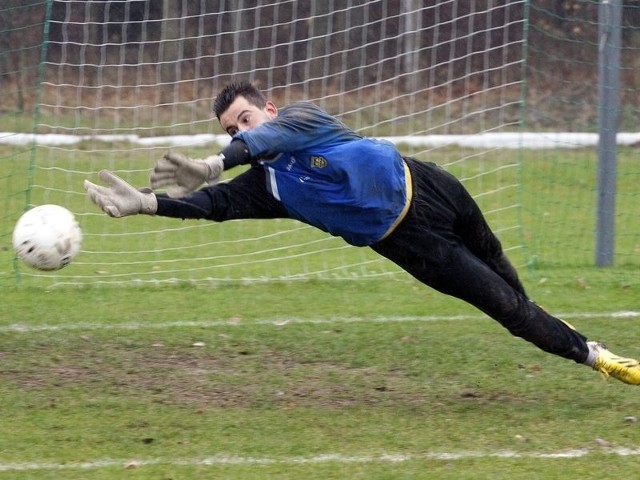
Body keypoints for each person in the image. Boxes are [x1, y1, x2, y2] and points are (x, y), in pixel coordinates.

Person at [85, 81, 640, 386]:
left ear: (268, 110)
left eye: (245, 119)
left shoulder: (302, 120)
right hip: (411, 245)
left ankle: (549, 322)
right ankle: (602, 359)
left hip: (430, 185)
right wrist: (148, 204)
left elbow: (250, 149)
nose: (240, 131)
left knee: (507, 276)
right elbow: (213, 205)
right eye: (230, 128)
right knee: (508, 311)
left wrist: (212, 159)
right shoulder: (267, 189)